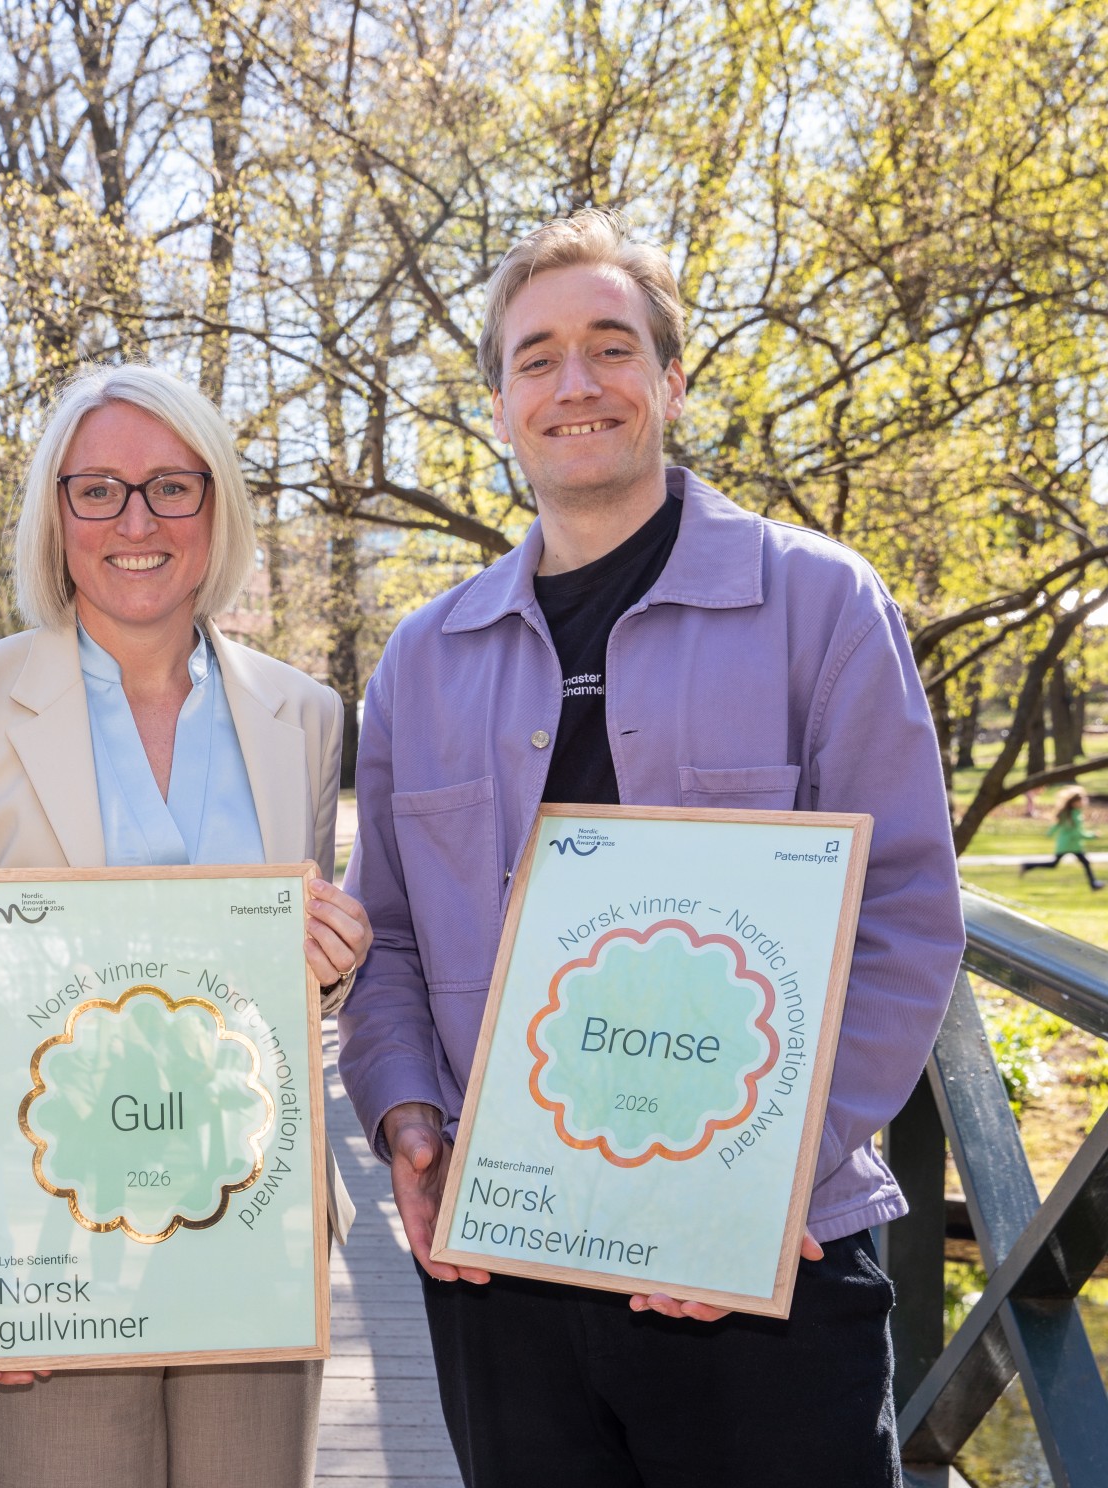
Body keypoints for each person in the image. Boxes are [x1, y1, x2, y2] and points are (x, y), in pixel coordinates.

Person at [336, 208, 964, 1486]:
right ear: (499, 409)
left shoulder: (820, 603)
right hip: (504, 1271)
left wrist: (759, 1178)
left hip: (771, 1263)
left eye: (612, 347)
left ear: (671, 383)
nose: (575, 383)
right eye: (536, 358)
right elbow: (386, 937)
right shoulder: (421, 660)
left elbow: (904, 918)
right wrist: (403, 1114)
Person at [0, 363, 371, 1488]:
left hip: (253, 1226)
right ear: (56, 513)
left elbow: (279, 981)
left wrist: (327, 965)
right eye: (97, 491)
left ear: (216, 506)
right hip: (38, 1237)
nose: (136, 522)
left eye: (171, 487)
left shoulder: (303, 715)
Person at [1021, 785, 1101, 889]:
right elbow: (1077, 833)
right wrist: (1092, 835)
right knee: (1055, 864)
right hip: (1069, 845)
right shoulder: (1073, 816)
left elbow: (1057, 825)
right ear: (1074, 803)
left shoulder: (1070, 813)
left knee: (1083, 863)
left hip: (1069, 844)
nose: (1083, 803)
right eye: (1081, 801)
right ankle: (1028, 865)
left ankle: (1093, 883)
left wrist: (1050, 833)